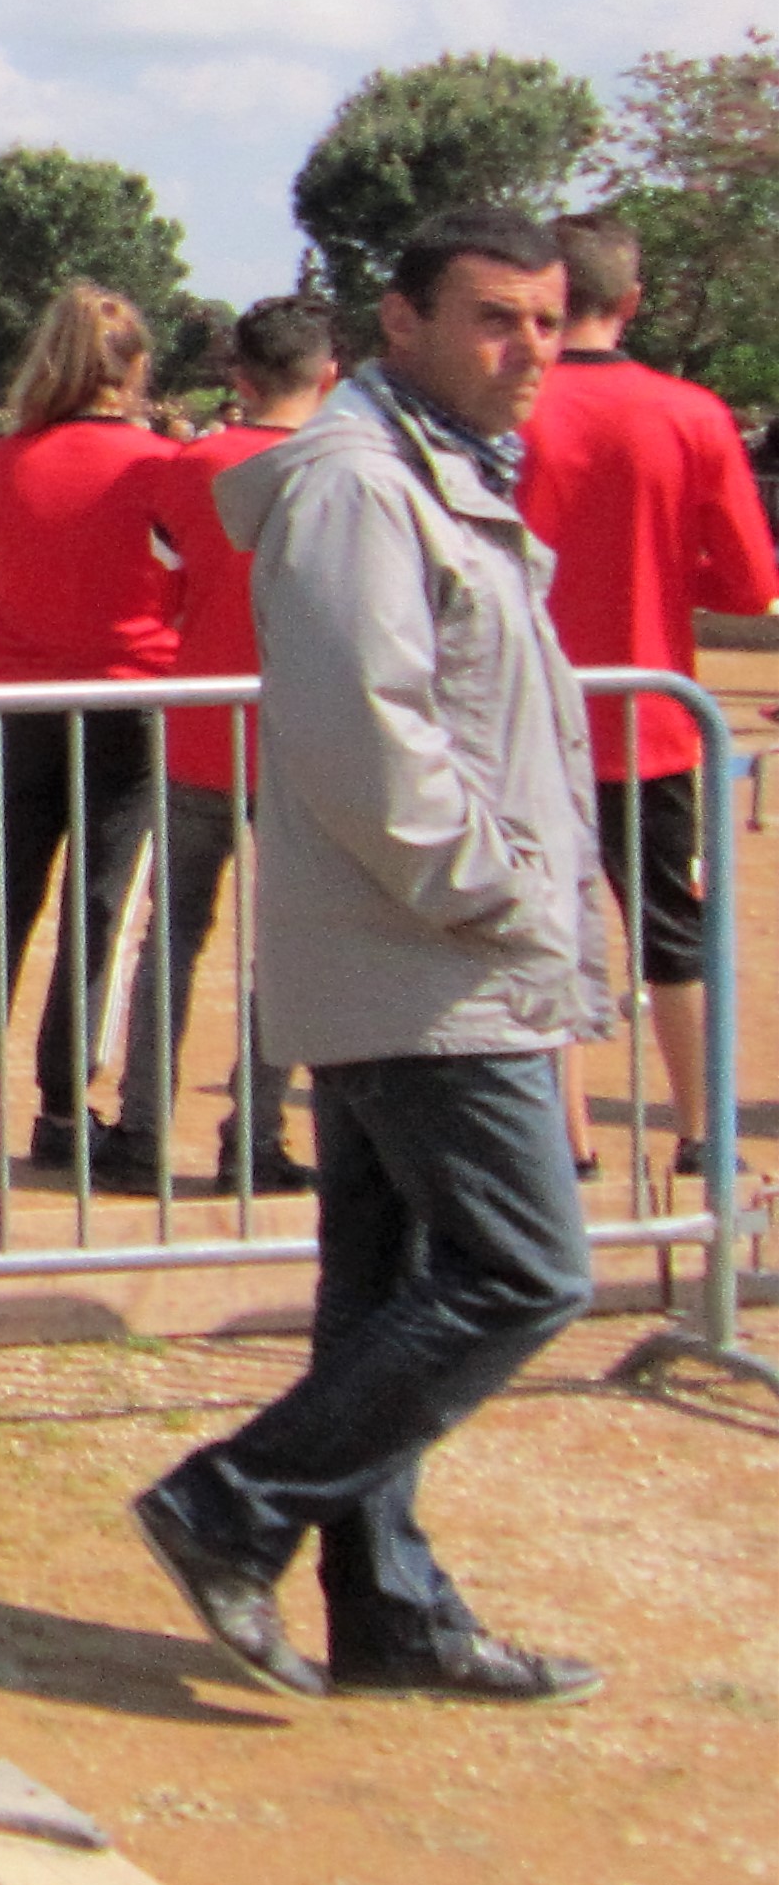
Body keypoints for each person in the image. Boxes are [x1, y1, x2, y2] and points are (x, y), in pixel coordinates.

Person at [131, 211, 607, 1707]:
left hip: (433, 950)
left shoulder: (435, 474)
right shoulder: (358, 485)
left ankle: (389, 1602)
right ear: (393, 322)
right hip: (428, 959)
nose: (526, 345)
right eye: (492, 317)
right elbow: (368, 738)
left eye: (544, 318)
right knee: (526, 1266)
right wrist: (499, 890)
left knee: (388, 1285)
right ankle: (231, 1502)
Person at [514, 211, 776, 1173]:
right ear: (629, 302)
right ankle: (701, 1135)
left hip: (525, 716)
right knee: (673, 929)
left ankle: (562, 1144)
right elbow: (749, 582)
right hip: (651, 721)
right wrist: (670, 574)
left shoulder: (505, 406)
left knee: (541, 930)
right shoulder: (690, 411)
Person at [0, 286, 180, 1189]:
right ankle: (63, 1106)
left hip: (26, 699)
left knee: (1, 898)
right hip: (130, 701)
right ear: (134, 367)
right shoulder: (160, 465)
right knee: (99, 910)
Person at [139, 300, 335, 1192]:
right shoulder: (343, 469)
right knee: (289, 949)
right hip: (301, 740)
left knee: (171, 936)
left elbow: (164, 593)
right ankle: (253, 1134)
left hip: (197, 733)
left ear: (238, 379)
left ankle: (141, 1124)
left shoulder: (190, 466)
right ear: (325, 375)